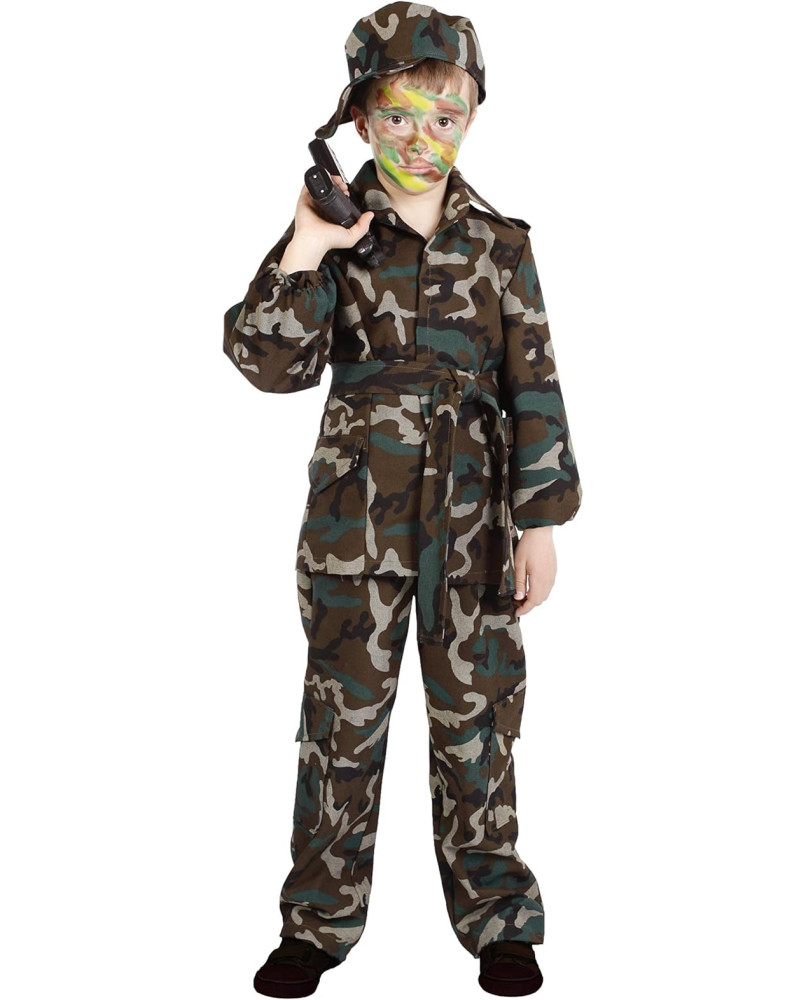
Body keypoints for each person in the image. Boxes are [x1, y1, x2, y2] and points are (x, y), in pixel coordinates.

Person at [223, 4, 582, 996]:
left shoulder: (500, 246)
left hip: (472, 525)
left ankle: (499, 919)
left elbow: (534, 386)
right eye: (398, 117)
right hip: (355, 522)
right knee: (341, 723)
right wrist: (305, 246)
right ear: (360, 118)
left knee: (478, 721)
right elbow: (268, 363)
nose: (422, 140)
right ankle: (316, 922)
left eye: (445, 117)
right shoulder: (336, 233)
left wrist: (539, 525)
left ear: (472, 117)